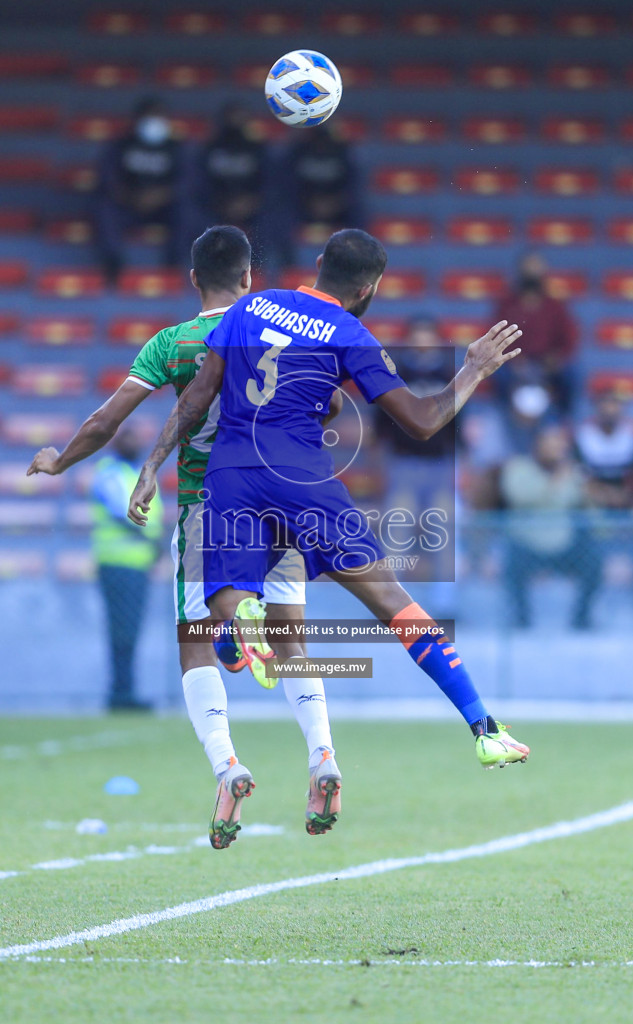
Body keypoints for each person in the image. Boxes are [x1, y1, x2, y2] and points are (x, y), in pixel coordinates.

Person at [129, 228, 530, 844]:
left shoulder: (249, 308)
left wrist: (153, 465)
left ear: (317, 264)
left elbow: (199, 396)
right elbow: (422, 422)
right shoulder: (350, 334)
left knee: (219, 607)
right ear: (369, 288)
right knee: (395, 605)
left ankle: (241, 626)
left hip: (231, 476)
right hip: (305, 482)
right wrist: (473, 369)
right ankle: (484, 729)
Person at [27, 225, 341, 845]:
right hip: (280, 508)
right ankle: (322, 755)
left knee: (197, 645)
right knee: (293, 642)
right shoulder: (278, 330)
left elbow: (106, 420)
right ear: (250, 277)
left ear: (193, 278)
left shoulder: (171, 344)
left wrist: (60, 460)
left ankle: (227, 764)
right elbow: (329, 407)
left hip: (210, 510)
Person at [90, 426, 163, 710]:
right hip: (119, 563)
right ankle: (121, 694)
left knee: (129, 630)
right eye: (128, 439)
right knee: (123, 630)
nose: (135, 443)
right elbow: (121, 513)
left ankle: (125, 691)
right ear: (117, 443)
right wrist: (149, 539)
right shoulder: (110, 472)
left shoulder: (132, 473)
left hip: (136, 563)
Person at [500, 425, 601, 629]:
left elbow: (585, 505)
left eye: (559, 444)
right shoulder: (518, 467)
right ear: (538, 445)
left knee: (595, 561)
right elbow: (520, 497)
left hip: (563, 544)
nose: (556, 449)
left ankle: (581, 618)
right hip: (528, 544)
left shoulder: (572, 471)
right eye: (550, 444)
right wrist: (557, 479)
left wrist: (588, 488)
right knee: (511, 563)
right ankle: (521, 619)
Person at [93, 97, 186, 283]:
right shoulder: (121, 145)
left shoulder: (176, 147)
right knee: (103, 207)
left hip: (164, 206)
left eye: (159, 117)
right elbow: (108, 178)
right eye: (150, 117)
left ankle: (174, 264)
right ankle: (113, 263)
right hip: (128, 203)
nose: (154, 122)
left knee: (187, 211)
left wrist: (161, 196)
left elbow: (188, 182)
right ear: (138, 119)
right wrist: (131, 196)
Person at [493, 252, 578, 416]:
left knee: (572, 374)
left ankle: (563, 421)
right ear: (520, 271)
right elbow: (496, 336)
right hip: (514, 362)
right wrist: (513, 359)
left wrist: (556, 358)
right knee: (498, 375)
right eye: (528, 268)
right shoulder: (507, 304)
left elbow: (569, 338)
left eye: (536, 268)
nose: (532, 273)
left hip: (547, 363)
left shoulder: (555, 305)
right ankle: (506, 417)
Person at [275, 122, 362, 267]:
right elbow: (286, 187)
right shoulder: (297, 152)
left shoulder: (344, 153)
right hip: (303, 207)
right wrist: (309, 203)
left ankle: (355, 261)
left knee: (358, 211)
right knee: (279, 214)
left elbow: (353, 186)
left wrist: (336, 202)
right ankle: (287, 267)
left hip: (337, 208)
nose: (322, 144)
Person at [575, 391, 633, 511]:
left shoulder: (630, 432)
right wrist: (605, 494)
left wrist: (624, 496)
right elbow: (580, 474)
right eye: (605, 403)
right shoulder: (583, 434)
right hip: (595, 496)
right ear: (597, 406)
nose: (610, 408)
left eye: (615, 403)